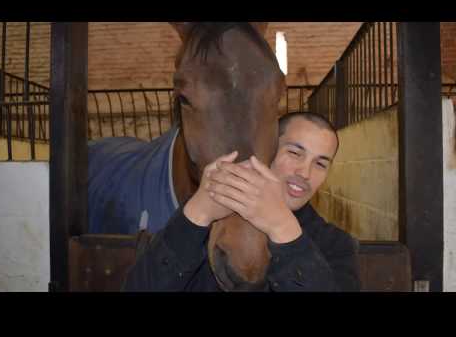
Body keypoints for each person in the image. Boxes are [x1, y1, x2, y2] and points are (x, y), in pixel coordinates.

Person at [123, 112, 360, 291]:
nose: (305, 173)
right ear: (267, 151)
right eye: (295, 153)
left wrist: (283, 228)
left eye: (320, 163)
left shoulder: (336, 245)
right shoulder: (212, 228)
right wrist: (197, 213)